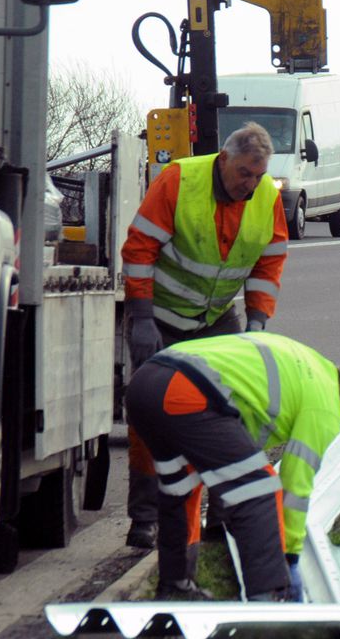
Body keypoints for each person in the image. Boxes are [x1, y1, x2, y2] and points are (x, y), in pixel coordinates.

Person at [120, 122, 290, 549]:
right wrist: (140, 317)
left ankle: (220, 515)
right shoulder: (180, 179)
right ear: (225, 160)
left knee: (230, 411)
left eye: (257, 176)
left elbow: (269, 263)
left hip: (215, 318)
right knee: (151, 414)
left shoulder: (266, 196)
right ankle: (144, 518)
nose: (250, 185)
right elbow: (140, 248)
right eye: (244, 175)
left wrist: (257, 322)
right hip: (159, 315)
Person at [125, 332, 340, 600]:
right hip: (185, 391)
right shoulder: (327, 406)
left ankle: (175, 585)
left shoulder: (311, 363)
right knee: (259, 490)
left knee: (181, 489)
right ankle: (269, 597)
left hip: (146, 383)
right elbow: (295, 484)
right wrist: (290, 556)